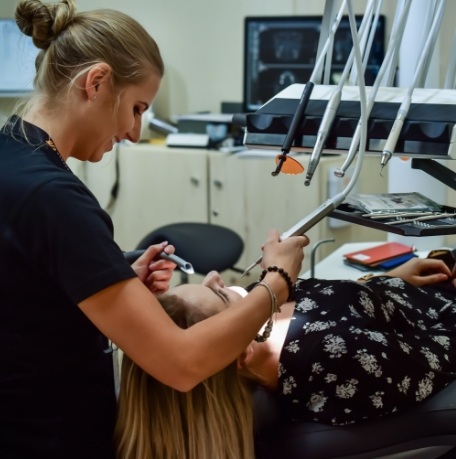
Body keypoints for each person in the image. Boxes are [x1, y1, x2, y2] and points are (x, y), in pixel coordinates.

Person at [0, 1, 307, 458]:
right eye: (137, 108)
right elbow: (182, 365)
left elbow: (23, 284)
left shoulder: (11, 155)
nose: (135, 132)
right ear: (97, 82)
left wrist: (108, 275)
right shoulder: (56, 198)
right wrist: (275, 284)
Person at [115, 257, 456, 458]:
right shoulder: (334, 362)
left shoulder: (261, 317)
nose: (216, 276)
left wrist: (387, 280)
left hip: (417, 284)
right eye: (218, 293)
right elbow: (443, 347)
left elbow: (352, 311)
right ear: (240, 354)